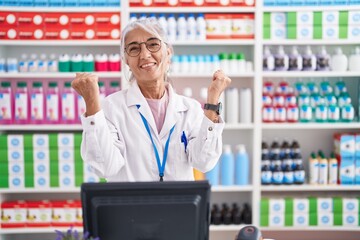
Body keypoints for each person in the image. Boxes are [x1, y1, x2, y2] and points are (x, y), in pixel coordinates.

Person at [71, 18, 231, 182]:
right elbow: (105, 167)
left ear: (167, 53)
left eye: (153, 44)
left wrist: (213, 99)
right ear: (126, 60)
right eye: (134, 49)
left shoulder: (190, 109)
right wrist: (91, 102)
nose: (145, 55)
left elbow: (204, 162)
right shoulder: (110, 108)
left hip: (177, 206)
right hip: (131, 206)